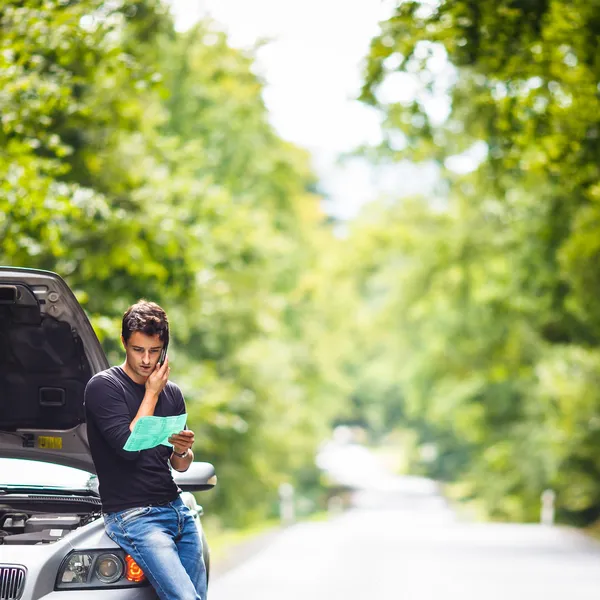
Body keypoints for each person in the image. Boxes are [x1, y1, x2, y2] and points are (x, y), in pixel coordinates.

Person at [84, 300, 206, 600]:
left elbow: (180, 466)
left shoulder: (173, 393)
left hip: (176, 510)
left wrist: (182, 450)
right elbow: (128, 447)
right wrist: (151, 392)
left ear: (163, 348)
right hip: (133, 516)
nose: (147, 360)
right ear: (124, 342)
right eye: (139, 350)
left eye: (154, 351)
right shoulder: (103, 387)